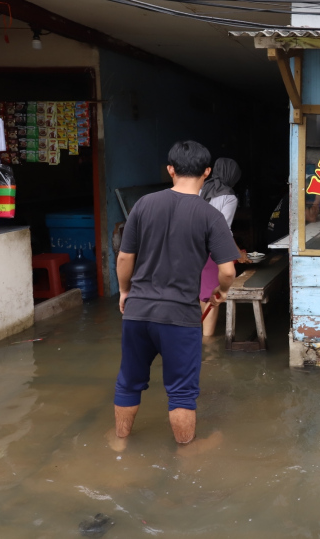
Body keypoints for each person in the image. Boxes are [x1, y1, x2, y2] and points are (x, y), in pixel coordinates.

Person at [112, 140, 240, 449]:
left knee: (128, 382)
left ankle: (118, 444)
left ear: (170, 169)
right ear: (207, 173)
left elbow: (124, 258)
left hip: (138, 312)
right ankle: (188, 453)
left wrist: (125, 291)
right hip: (180, 317)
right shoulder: (211, 216)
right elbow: (228, 272)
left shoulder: (143, 205)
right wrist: (219, 293)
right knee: (182, 392)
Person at [199, 158, 249, 337]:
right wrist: (237, 252)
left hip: (194, 247)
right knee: (213, 296)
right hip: (212, 249)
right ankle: (208, 341)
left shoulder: (201, 188)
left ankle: (201, 334)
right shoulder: (228, 196)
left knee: (203, 292)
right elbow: (223, 230)